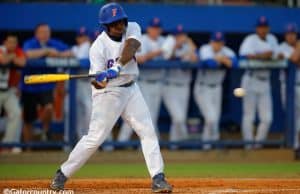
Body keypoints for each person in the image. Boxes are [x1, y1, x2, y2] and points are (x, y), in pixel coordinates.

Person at [50, 3, 172, 193]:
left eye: (120, 21)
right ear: (106, 26)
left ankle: (158, 178)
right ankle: (62, 174)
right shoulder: (97, 48)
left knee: (147, 131)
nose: (119, 25)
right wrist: (101, 79)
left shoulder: (133, 27)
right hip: (108, 93)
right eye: (114, 23)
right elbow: (97, 84)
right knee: (95, 138)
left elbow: (132, 46)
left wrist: (117, 67)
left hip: (131, 88)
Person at [22, 23, 72, 143]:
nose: (45, 34)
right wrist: (46, 51)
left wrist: (58, 54)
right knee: (28, 120)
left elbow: (71, 53)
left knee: (49, 108)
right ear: (36, 33)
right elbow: (27, 54)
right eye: (42, 31)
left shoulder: (54, 43)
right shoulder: (30, 43)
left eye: (47, 31)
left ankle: (43, 129)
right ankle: (27, 148)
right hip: (29, 86)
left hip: (47, 85)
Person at [117, 17, 165, 142]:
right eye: (153, 28)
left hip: (158, 83)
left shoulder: (163, 40)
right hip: (143, 83)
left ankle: (152, 143)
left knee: (151, 116)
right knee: (134, 115)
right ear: (149, 29)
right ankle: (121, 143)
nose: (155, 31)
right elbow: (138, 58)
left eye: (158, 28)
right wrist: (157, 53)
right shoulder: (142, 39)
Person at [239, 16, 278, 149]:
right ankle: (248, 145)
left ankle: (258, 145)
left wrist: (272, 56)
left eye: (264, 27)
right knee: (249, 115)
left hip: (265, 81)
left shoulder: (272, 39)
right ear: (256, 28)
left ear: (268, 28)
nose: (262, 29)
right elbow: (244, 56)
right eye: (260, 27)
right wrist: (263, 55)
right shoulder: (250, 40)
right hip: (250, 78)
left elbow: (278, 56)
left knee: (267, 118)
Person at [194, 32, 236, 150]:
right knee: (211, 118)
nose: (217, 45)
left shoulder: (226, 51)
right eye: (215, 42)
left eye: (219, 42)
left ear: (223, 43)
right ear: (211, 42)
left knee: (214, 119)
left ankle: (208, 146)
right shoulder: (205, 49)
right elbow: (210, 63)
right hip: (203, 88)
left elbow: (235, 63)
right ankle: (211, 142)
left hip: (217, 88)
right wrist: (223, 60)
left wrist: (221, 59)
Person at [161, 25, 197, 145]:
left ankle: (174, 144)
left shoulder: (187, 46)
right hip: (169, 86)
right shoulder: (169, 45)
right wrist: (176, 45)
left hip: (184, 86)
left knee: (178, 119)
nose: (180, 37)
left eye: (182, 35)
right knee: (179, 118)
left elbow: (194, 57)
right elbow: (168, 57)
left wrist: (190, 43)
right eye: (177, 35)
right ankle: (184, 140)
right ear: (174, 36)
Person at [0, 34, 25, 152]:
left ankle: (6, 145)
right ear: (4, 42)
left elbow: (22, 62)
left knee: (16, 113)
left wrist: (12, 56)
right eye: (10, 42)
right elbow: (3, 60)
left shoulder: (17, 51)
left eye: (15, 42)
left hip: (8, 90)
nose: (12, 45)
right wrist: (12, 56)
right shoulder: (1, 49)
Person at [277, 23, 300, 149]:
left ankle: (296, 145)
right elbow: (295, 59)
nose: (291, 36)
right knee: (292, 116)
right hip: (288, 87)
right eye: (288, 34)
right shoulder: (281, 48)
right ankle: (294, 145)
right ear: (285, 36)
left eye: (293, 34)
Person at [71, 26, 92, 139]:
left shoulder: (89, 47)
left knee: (89, 111)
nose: (82, 39)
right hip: (76, 83)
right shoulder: (75, 49)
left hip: (89, 83)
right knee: (76, 113)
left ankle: (87, 139)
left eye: (84, 36)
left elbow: (82, 63)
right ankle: (79, 140)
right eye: (80, 36)